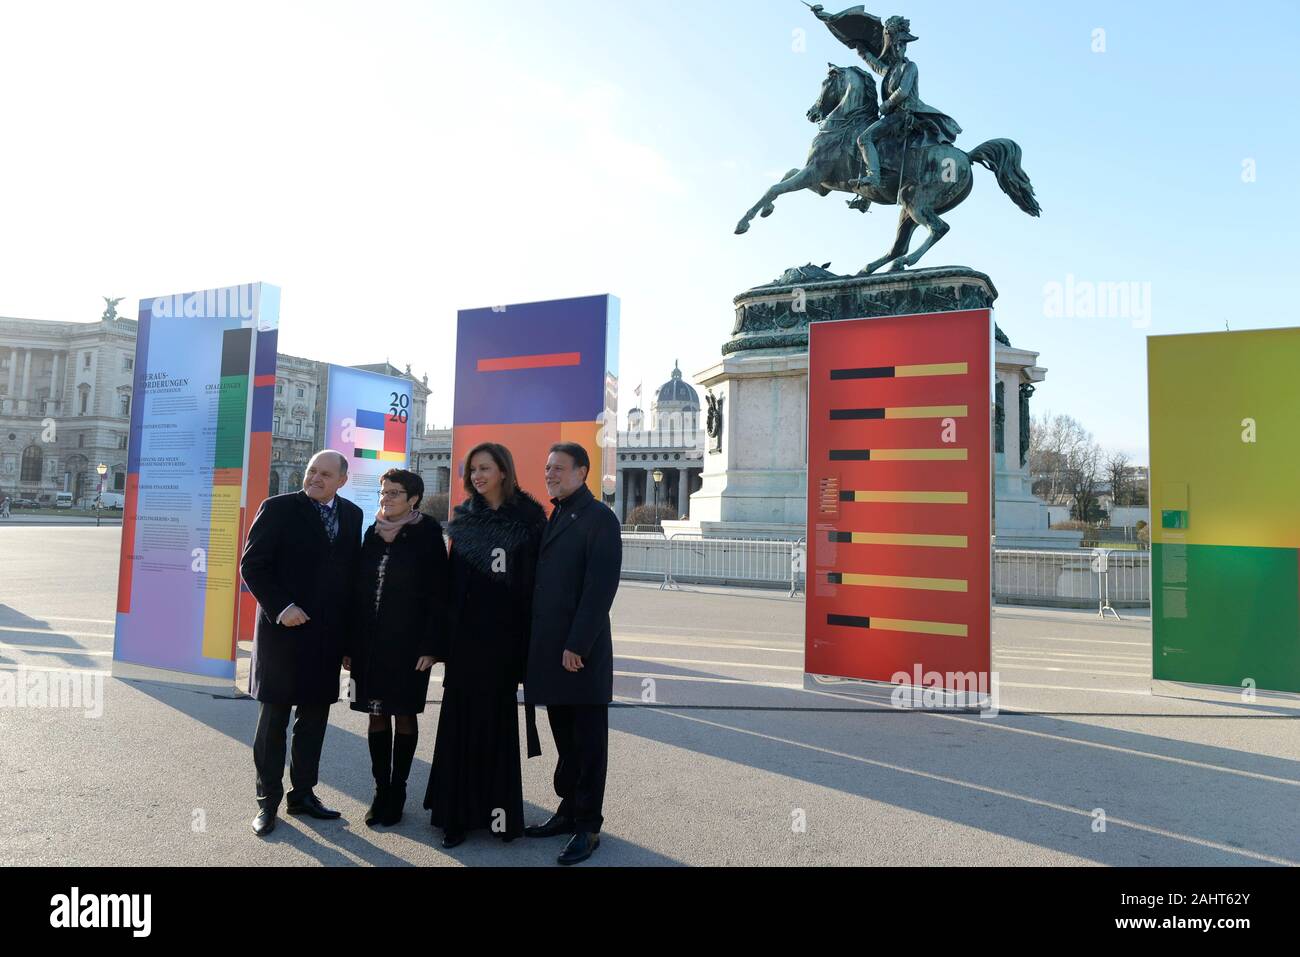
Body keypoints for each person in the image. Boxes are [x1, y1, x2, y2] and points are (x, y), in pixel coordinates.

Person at [425, 443, 547, 848]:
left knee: (495, 724)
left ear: (504, 472)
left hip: (504, 640)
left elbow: (533, 587)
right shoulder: (463, 520)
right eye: (472, 470)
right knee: (459, 724)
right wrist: (440, 640)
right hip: (465, 640)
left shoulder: (529, 520)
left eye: (485, 468)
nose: (477, 476)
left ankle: (498, 816)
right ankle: (454, 817)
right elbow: (447, 586)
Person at [240, 450, 363, 837]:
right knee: (274, 722)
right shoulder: (277, 509)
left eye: (325, 474)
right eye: (312, 471)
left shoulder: (352, 516)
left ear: (342, 479)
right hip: (283, 633)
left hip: (326, 638)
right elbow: (252, 565)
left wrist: (348, 641)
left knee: (314, 721)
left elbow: (348, 580)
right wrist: (282, 607)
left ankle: (303, 795)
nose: (315, 478)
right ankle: (268, 803)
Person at [523, 442, 622, 865]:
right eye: (547, 468)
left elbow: (600, 589)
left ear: (583, 472)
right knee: (565, 738)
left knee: (587, 742)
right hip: (552, 652)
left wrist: (576, 645)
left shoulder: (599, 517)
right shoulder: (558, 513)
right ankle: (566, 810)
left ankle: (588, 826)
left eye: (559, 468)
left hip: (579, 655)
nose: (550, 474)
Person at [343, 468, 448, 828]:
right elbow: (356, 590)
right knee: (375, 713)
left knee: (403, 713)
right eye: (383, 492)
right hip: (368, 643)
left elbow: (439, 594)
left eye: (394, 493)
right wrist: (348, 644)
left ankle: (399, 789)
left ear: (413, 498)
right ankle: (380, 789)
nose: (385, 499)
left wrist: (432, 646)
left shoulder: (428, 532)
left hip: (409, 646)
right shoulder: (371, 532)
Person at [843, 14, 961, 189]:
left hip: (903, 115)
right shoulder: (891, 70)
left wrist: (886, 104)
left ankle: (874, 177)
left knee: (864, 139)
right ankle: (868, 194)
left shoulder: (910, 67)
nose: (899, 48)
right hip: (894, 116)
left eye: (902, 45)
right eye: (897, 44)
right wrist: (861, 50)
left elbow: (903, 91)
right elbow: (875, 65)